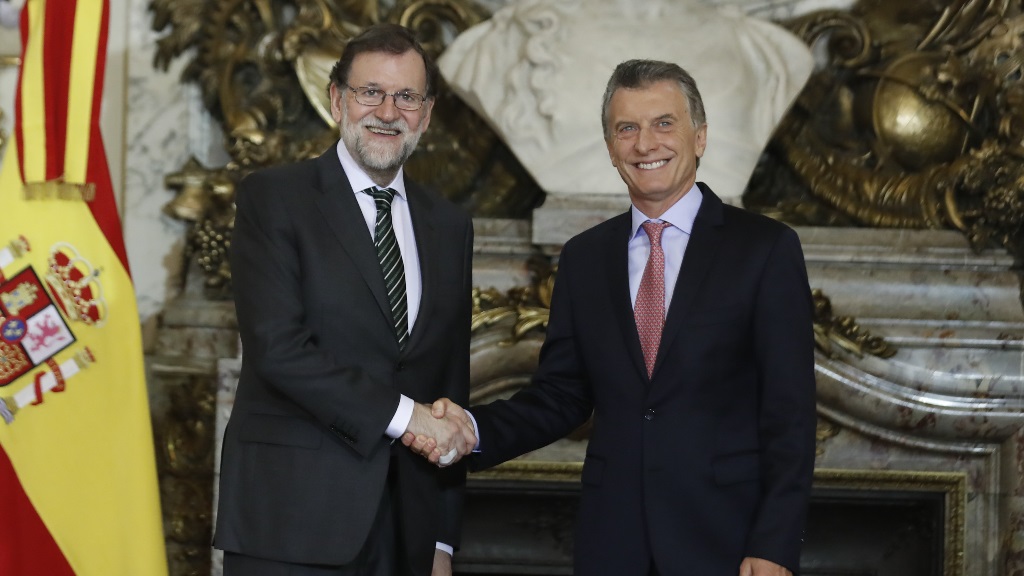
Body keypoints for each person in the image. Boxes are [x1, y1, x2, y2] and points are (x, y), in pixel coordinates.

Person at [408, 59, 817, 575]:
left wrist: (775, 544)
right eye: (627, 128)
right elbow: (561, 396)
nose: (645, 144)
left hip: (727, 542)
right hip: (613, 541)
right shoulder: (584, 257)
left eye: (664, 123)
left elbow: (790, 414)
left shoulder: (765, 249)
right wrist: (470, 429)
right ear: (610, 147)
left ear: (700, 137)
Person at [214, 23, 477, 576]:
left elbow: (449, 383)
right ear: (337, 99)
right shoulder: (274, 199)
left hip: (407, 529)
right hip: (291, 521)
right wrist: (406, 417)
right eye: (370, 92)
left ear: (427, 113)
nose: (388, 112)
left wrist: (442, 541)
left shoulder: (450, 225)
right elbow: (278, 349)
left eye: (407, 97)